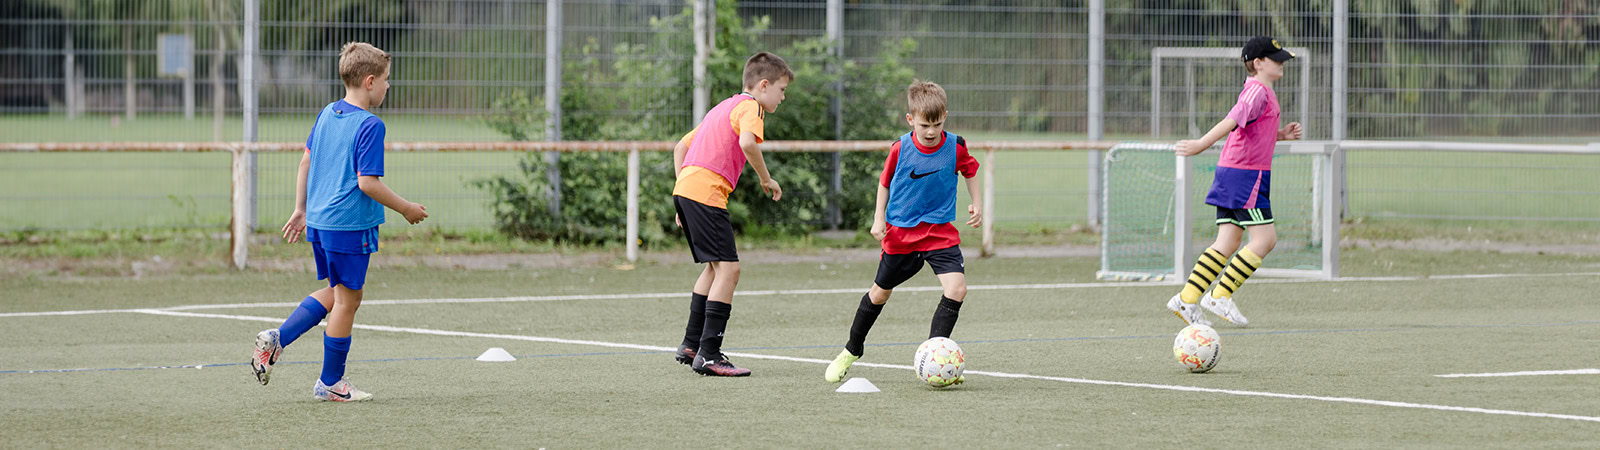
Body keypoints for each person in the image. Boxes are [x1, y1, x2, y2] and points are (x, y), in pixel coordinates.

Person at [250, 42, 429, 401]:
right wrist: (406, 208)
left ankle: (277, 340)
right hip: (349, 226)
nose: (388, 87)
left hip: (319, 221)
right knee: (348, 301)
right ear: (369, 81)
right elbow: (367, 182)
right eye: (385, 80)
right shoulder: (370, 125)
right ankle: (330, 382)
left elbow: (305, 163)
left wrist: (301, 210)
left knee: (336, 293)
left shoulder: (327, 113)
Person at [824, 80, 982, 383]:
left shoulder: (956, 146)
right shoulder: (901, 148)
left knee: (957, 289)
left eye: (937, 123)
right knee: (879, 294)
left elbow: (970, 171)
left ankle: (936, 357)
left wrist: (977, 203)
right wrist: (878, 218)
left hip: (939, 232)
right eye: (925, 124)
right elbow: (884, 183)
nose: (932, 131)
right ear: (911, 120)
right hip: (902, 234)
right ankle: (852, 350)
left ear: (945, 116)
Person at [1166, 36, 1303, 327]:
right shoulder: (1257, 92)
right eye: (1275, 58)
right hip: (1246, 176)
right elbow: (1232, 120)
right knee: (1265, 240)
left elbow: (1252, 129)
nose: (1281, 63)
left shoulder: (1261, 92)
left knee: (1228, 241)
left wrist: (1281, 135)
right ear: (1258, 63)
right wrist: (1200, 144)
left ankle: (1187, 299)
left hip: (1234, 172)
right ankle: (1220, 295)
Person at [670, 52, 792, 377]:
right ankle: (709, 354)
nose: (783, 96)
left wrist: (683, 193)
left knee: (714, 269)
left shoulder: (722, 107)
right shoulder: (752, 107)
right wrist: (766, 179)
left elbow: (680, 148)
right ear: (763, 85)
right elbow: (749, 143)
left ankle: (691, 345)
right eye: (781, 89)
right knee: (730, 269)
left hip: (687, 190)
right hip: (706, 192)